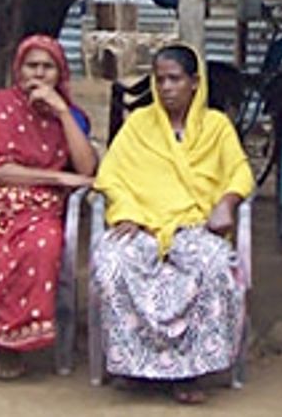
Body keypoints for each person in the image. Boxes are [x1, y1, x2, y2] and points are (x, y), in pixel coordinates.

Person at [92, 43, 254, 405]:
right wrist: (127, 211)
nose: (166, 87)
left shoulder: (216, 126)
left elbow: (240, 172)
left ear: (194, 83)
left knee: (214, 266)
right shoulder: (138, 125)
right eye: (160, 79)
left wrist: (226, 203)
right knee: (113, 263)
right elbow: (111, 176)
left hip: (195, 225)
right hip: (143, 223)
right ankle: (135, 365)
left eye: (175, 79)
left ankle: (190, 372)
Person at [0, 35, 96, 380]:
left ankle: (11, 347)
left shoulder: (71, 115)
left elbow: (86, 169)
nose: (38, 74)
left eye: (47, 67)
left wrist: (61, 111)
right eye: (31, 66)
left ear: (60, 73)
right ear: (18, 70)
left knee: (38, 249)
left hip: (42, 208)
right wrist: (55, 177)